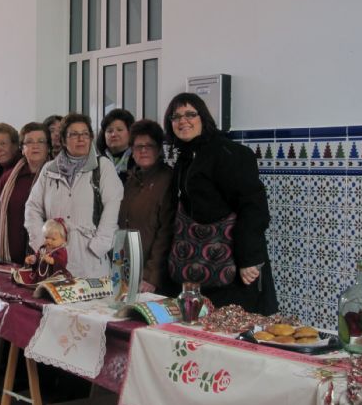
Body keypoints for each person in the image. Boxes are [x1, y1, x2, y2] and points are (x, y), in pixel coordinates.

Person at [165, 92, 278, 315]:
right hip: (201, 266)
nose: (182, 121)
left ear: (203, 118)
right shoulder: (186, 157)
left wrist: (250, 259)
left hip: (235, 270)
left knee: (234, 334)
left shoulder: (229, 153)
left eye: (190, 114)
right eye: (175, 116)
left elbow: (253, 207)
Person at [25, 113, 123, 279]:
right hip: (53, 258)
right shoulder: (49, 170)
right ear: (63, 140)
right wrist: (42, 243)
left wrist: (98, 247)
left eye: (85, 134)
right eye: (74, 134)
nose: (81, 139)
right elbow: (32, 208)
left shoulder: (103, 167)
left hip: (91, 261)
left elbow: (112, 208)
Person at [0, 122, 51, 265]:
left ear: (48, 147)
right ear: (22, 148)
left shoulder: (58, 177)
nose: (35, 146)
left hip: (46, 258)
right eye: (29, 142)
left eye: (41, 141)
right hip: (9, 259)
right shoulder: (8, 177)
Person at [118, 119, 174, 293]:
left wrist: (151, 277)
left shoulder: (168, 180)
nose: (143, 150)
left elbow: (166, 233)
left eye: (149, 145)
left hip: (152, 280)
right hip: (126, 271)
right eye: (137, 146)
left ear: (159, 149)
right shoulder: (130, 181)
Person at [16, 218, 70, 284]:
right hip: (41, 277)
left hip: (53, 278)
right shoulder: (43, 248)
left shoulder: (61, 251)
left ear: (64, 240)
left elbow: (61, 261)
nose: (49, 241)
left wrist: (51, 260)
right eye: (46, 237)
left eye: (53, 239)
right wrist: (33, 259)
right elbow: (38, 255)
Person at [96, 109, 135, 183]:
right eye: (109, 131)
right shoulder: (97, 163)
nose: (114, 134)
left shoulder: (139, 160)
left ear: (130, 132)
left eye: (119, 130)